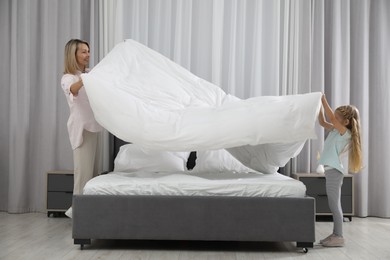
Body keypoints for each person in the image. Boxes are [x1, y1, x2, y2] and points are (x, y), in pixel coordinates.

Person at [61, 39, 103, 218]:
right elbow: (73, 89)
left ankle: (89, 214)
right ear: (74, 55)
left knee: (93, 176)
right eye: (83, 52)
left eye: (88, 51)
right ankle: (77, 214)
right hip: (82, 130)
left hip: (94, 128)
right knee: (83, 175)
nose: (88, 55)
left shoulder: (87, 75)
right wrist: (88, 77)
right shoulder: (68, 78)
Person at [317, 93, 362, 247]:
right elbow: (323, 121)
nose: (333, 120)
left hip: (334, 172)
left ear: (346, 121)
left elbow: (330, 118)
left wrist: (323, 100)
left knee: (334, 204)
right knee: (333, 203)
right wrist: (317, 106)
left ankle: (339, 236)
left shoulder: (346, 133)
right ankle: (336, 234)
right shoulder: (336, 130)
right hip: (331, 171)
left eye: (337, 118)